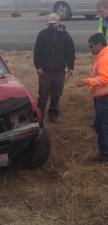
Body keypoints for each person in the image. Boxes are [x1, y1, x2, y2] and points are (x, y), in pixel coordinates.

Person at [33, 13, 75, 123]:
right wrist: (38, 67)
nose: (52, 25)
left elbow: (70, 52)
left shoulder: (65, 35)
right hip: (45, 71)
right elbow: (37, 52)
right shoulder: (42, 35)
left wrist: (71, 67)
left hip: (59, 71)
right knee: (43, 95)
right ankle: (39, 117)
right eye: (51, 23)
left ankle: (53, 115)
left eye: (54, 23)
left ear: (59, 21)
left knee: (56, 94)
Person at [76, 33, 108, 163]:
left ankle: (105, 154)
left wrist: (87, 81)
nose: (90, 49)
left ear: (99, 45)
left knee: (101, 126)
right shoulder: (102, 56)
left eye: (91, 46)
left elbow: (105, 78)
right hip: (102, 97)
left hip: (104, 98)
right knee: (99, 124)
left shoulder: (104, 58)